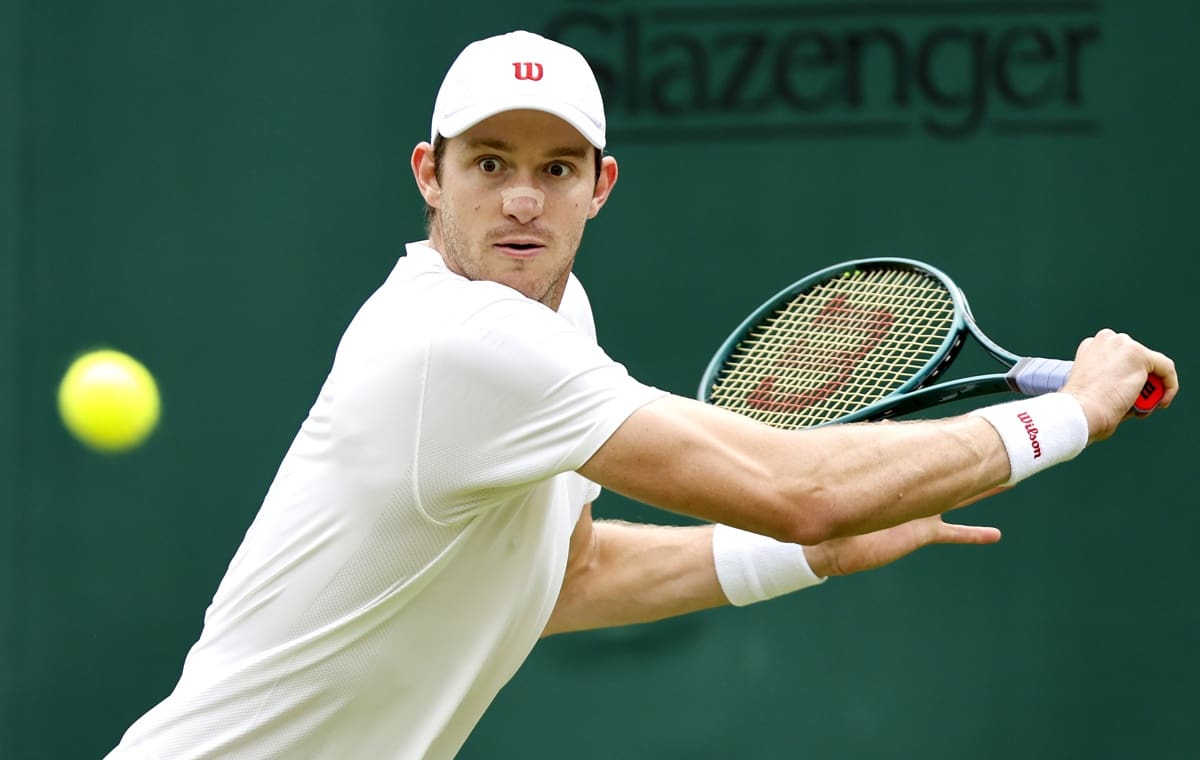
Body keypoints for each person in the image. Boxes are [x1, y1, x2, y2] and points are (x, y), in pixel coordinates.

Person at [105, 30, 1178, 760]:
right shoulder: (457, 338)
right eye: (489, 164)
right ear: (430, 174)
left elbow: (561, 575)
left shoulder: (549, 323)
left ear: (600, 185)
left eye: (557, 167)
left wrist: (817, 552)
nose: (523, 198)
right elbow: (795, 484)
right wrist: (1071, 415)